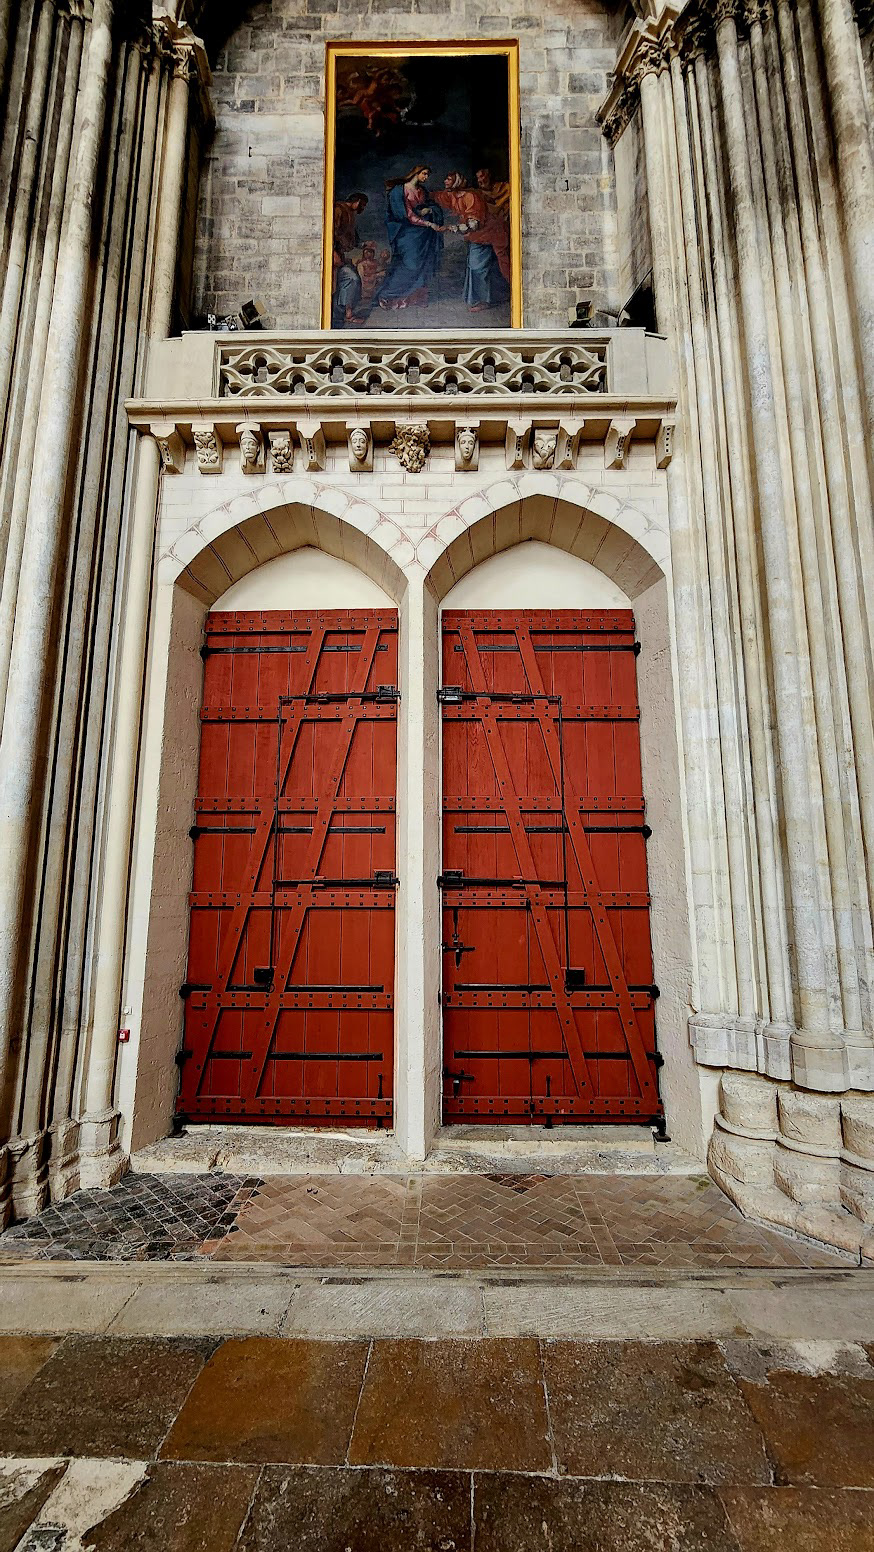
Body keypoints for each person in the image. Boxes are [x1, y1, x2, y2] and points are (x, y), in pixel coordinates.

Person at [376, 166, 444, 311]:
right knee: (410, 265)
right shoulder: (398, 191)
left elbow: (429, 206)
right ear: (416, 173)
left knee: (423, 264)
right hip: (406, 233)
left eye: (427, 175)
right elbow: (406, 215)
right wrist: (428, 223)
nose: (426, 177)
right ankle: (388, 294)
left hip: (423, 235)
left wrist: (430, 210)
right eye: (424, 174)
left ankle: (416, 297)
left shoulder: (422, 191)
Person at [434, 171, 504, 312]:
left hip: (486, 234)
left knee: (478, 267)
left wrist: (450, 228)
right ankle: (479, 298)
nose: (445, 182)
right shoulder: (453, 195)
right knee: (473, 265)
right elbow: (438, 196)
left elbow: (474, 224)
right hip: (476, 236)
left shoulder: (471, 197)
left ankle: (484, 300)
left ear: (457, 182)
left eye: (448, 179)